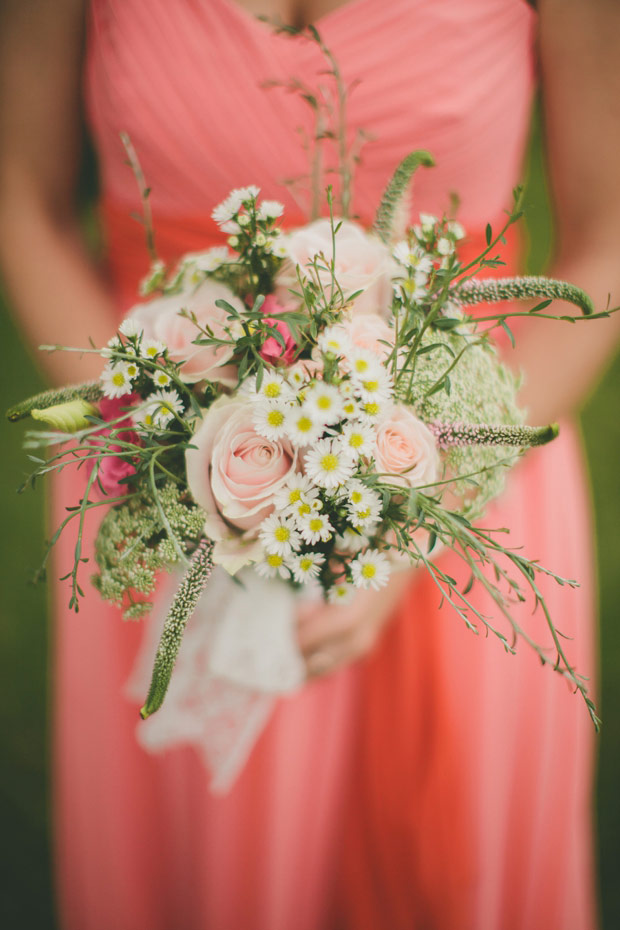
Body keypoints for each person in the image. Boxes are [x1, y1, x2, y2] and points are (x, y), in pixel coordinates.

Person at [1, 0, 619, 927]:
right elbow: (21, 188)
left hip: (478, 472)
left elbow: (607, 237)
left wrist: (423, 500)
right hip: (162, 487)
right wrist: (171, 442)